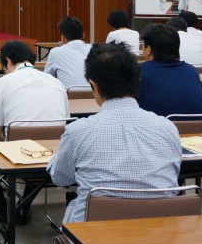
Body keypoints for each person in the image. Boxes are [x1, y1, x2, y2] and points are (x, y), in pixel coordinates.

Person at [47, 43, 182, 224]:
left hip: (92, 237)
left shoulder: (78, 132)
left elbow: (60, 178)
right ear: (137, 81)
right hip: (159, 235)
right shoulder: (168, 128)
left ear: (94, 86)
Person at [0, 41, 68, 224]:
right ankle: (23, 206)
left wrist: (6, 134)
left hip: (18, 160)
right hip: (54, 159)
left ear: (8, 61)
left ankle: (2, 207)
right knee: (38, 143)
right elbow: (63, 126)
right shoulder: (57, 82)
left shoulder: (1, 84)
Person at [137, 24, 202, 118]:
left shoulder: (138, 71)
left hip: (159, 131)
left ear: (149, 49)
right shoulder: (192, 71)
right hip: (200, 130)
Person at [45, 17, 92, 89]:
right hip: (93, 96)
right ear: (83, 35)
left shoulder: (55, 52)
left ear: (63, 38)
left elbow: (48, 78)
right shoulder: (94, 49)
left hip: (69, 97)